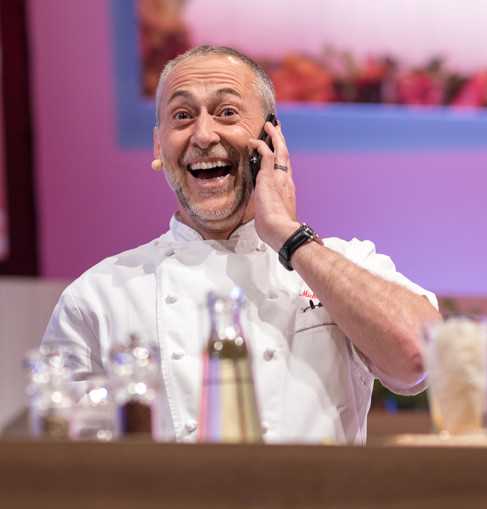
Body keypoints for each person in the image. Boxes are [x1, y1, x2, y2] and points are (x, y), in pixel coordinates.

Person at [42, 45, 440, 444]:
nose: (203, 135)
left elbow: (420, 358)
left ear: (271, 137)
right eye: (182, 116)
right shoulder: (98, 296)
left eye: (227, 112)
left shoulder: (345, 261)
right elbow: (62, 456)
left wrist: (290, 236)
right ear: (159, 145)